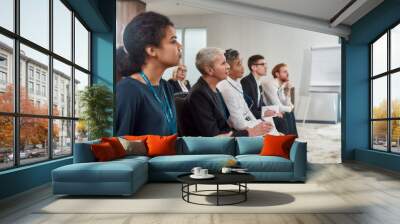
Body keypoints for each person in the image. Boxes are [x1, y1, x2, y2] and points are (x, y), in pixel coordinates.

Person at [180, 47, 272, 137]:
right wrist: (249, 132)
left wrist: (252, 130)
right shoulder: (199, 94)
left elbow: (224, 128)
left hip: (223, 144)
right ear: (210, 70)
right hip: (209, 149)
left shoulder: (214, 90)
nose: (228, 66)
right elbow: (213, 137)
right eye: (223, 63)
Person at [116, 11, 182, 136]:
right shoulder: (128, 90)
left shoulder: (165, 86)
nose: (180, 45)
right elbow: (121, 145)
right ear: (152, 50)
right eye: (173, 41)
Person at [217, 49, 270, 133]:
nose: (243, 67)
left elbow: (246, 109)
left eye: (241, 63)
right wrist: (255, 129)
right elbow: (238, 123)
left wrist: (258, 123)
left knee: (273, 130)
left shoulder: (237, 82)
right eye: (238, 64)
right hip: (241, 132)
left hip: (247, 125)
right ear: (228, 68)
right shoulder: (226, 87)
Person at [262, 63, 298, 136]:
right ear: (277, 74)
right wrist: (290, 108)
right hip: (267, 111)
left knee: (289, 113)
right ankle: (288, 138)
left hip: (275, 110)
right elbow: (279, 106)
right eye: (284, 72)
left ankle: (291, 138)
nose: (287, 74)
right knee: (288, 112)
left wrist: (288, 91)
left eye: (287, 72)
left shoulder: (281, 85)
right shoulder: (270, 84)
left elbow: (284, 103)